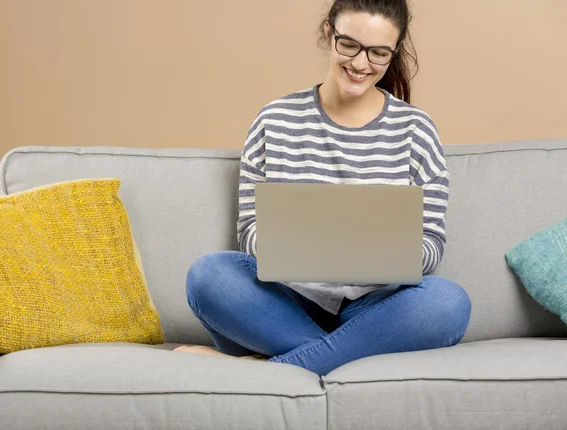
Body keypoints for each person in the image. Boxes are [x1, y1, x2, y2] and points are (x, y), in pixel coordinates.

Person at [174, 0, 472, 376]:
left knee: (449, 303)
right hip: (287, 302)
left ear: (392, 53)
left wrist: (381, 257)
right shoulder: (274, 120)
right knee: (209, 275)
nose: (361, 64)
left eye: (379, 53)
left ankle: (267, 370)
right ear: (329, 33)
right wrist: (304, 250)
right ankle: (334, 358)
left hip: (376, 308)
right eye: (349, 44)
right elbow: (250, 231)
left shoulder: (416, 129)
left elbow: (431, 243)